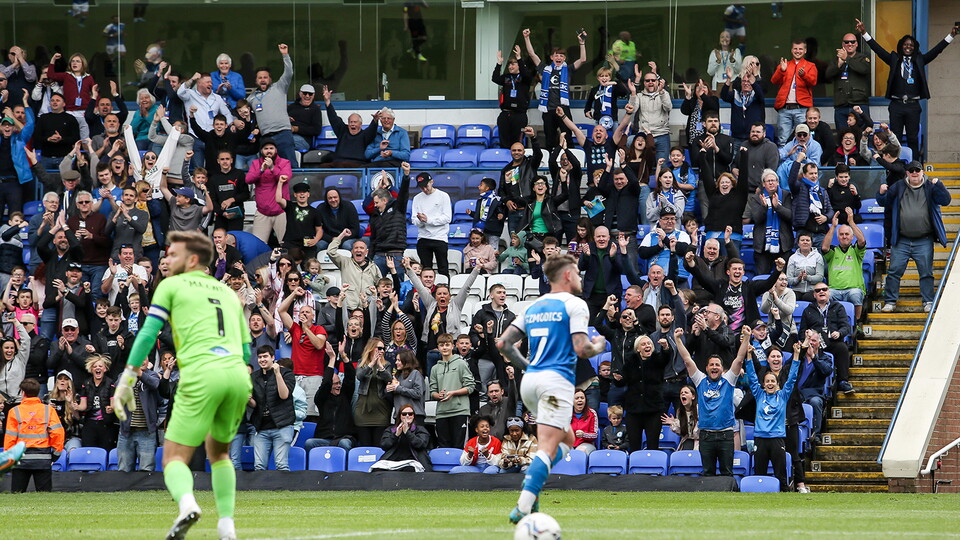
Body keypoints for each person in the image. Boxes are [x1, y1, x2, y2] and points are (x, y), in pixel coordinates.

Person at [111, 230, 252, 540]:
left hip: (202, 373)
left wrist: (127, 377)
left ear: (192, 259)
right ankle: (227, 526)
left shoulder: (172, 285)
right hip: (237, 376)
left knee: (173, 457)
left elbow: (148, 332)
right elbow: (245, 352)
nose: (166, 260)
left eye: (173, 254)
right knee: (220, 454)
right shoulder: (228, 293)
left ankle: (188, 505)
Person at [497, 253, 607, 523]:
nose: (580, 277)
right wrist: (599, 346)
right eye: (578, 273)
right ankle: (524, 504)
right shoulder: (575, 304)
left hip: (531, 381)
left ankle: (533, 489)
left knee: (568, 439)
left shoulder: (533, 306)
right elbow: (582, 348)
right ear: (567, 275)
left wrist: (527, 367)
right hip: (556, 381)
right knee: (547, 446)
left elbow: (503, 344)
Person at [856, 19, 958, 159]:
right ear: (901, 46)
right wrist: (864, 33)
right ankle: (895, 164)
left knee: (912, 138)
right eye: (905, 44)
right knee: (895, 137)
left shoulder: (919, 60)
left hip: (913, 105)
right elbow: (878, 50)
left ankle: (914, 166)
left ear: (915, 47)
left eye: (911, 45)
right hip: (896, 105)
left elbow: (936, 51)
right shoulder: (894, 59)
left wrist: (951, 35)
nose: (908, 47)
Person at [877, 163, 950, 313]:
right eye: (911, 171)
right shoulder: (898, 186)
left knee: (926, 273)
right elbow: (884, 202)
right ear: (907, 173)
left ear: (922, 172)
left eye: (917, 170)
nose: (914, 173)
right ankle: (890, 302)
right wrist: (881, 193)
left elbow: (946, 200)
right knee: (894, 272)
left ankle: (928, 301)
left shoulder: (930, 186)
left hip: (924, 239)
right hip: (901, 239)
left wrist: (940, 185)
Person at [679, 325, 748, 477]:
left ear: (722, 369)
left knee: (727, 474)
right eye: (711, 365)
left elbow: (739, 359)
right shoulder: (700, 380)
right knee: (708, 474)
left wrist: (747, 337)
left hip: (726, 436)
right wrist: (678, 339)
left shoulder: (729, 380)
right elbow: (687, 360)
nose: (714, 367)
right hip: (706, 436)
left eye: (717, 365)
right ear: (706, 368)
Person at [745, 340, 801, 492]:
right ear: (763, 384)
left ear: (777, 384)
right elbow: (752, 377)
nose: (770, 383)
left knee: (781, 476)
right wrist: (749, 356)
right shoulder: (759, 394)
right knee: (760, 474)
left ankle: (783, 499)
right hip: (760, 438)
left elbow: (792, 377)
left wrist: (796, 355)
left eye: (773, 381)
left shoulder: (783, 395)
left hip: (777, 438)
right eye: (767, 381)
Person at [523, 28, 587, 149]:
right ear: (552, 57)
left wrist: (582, 43)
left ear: (564, 58)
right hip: (548, 110)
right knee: (549, 140)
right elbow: (532, 54)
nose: (559, 57)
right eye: (556, 55)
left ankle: (569, 159)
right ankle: (551, 160)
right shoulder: (545, 69)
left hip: (563, 109)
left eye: (561, 56)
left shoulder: (568, 69)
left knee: (568, 138)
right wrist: (527, 38)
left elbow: (583, 59)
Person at [4, 379, 63, 492]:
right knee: (44, 496)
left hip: (20, 459)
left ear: (23, 393)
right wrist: (55, 455)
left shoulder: (15, 411)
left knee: (17, 495)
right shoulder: (48, 410)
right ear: (38, 392)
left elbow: (10, 438)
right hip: (43, 459)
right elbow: (58, 433)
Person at [616, 335, 671, 451]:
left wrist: (665, 347)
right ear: (638, 349)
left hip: (654, 409)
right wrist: (618, 379)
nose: (647, 346)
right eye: (643, 344)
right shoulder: (631, 361)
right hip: (634, 409)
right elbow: (622, 382)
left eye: (649, 343)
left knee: (653, 445)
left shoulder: (657, 359)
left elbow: (665, 358)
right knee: (634, 446)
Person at [799, 282, 855, 395]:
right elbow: (801, 331)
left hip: (832, 342)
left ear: (829, 292)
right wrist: (807, 336)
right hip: (814, 345)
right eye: (818, 290)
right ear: (814, 295)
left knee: (842, 348)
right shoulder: (808, 310)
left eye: (824, 289)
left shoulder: (838, 307)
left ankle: (842, 381)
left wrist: (839, 333)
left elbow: (846, 327)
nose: (821, 292)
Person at [429, 333, 475, 448]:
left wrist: (453, 393)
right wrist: (438, 395)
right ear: (438, 347)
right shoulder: (435, 368)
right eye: (441, 345)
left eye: (447, 345)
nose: (444, 348)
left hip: (460, 411)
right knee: (443, 447)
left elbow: (470, 386)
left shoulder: (461, 363)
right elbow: (432, 391)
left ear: (452, 346)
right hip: (441, 413)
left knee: (458, 446)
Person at [821, 208, 867, 321]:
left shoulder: (856, 251)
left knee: (855, 294)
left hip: (853, 289)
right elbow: (824, 247)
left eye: (847, 234)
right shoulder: (833, 252)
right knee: (826, 295)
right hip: (834, 290)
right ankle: (829, 323)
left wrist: (851, 222)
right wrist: (833, 227)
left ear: (852, 237)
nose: (844, 236)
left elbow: (862, 241)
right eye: (841, 234)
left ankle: (856, 322)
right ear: (838, 237)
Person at [245, 138, 293, 245]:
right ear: (261, 151)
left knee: (285, 244)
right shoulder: (256, 163)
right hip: (262, 212)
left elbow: (285, 178)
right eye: (266, 148)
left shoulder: (285, 162)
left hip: (281, 211)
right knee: (258, 245)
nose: (269, 151)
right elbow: (248, 180)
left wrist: (272, 167)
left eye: (271, 148)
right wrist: (261, 170)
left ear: (276, 150)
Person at [116, 359, 160, 472]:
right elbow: (118, 386)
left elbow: (155, 384)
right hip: (126, 432)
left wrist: (140, 374)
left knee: (146, 471)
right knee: (123, 470)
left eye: (145, 358)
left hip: (147, 432)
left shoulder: (153, 375)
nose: (142, 361)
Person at [770, 39, 818, 146]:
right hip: (785, 108)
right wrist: (782, 70)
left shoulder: (810, 66)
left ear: (805, 51)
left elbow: (813, 82)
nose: (798, 51)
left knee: (803, 138)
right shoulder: (785, 64)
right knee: (783, 139)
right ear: (791, 50)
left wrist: (804, 75)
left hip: (802, 109)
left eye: (800, 49)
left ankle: (802, 157)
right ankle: (784, 157)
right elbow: (774, 81)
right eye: (795, 49)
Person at [746, 168, 794, 274]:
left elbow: (790, 216)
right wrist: (764, 207)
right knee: (762, 277)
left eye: (773, 180)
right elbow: (757, 219)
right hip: (763, 246)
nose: (771, 183)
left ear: (778, 182)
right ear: (763, 184)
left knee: (782, 277)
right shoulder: (757, 198)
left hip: (783, 244)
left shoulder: (786, 195)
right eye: (768, 181)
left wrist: (777, 207)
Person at [320, 85, 379, 167]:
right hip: (339, 163)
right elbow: (333, 118)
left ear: (360, 124)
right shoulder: (342, 131)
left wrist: (375, 120)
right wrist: (327, 101)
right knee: (323, 167)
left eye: (355, 122)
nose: (352, 124)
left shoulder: (365, 135)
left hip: (357, 165)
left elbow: (372, 130)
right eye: (351, 122)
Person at [498, 126, 541, 234]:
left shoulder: (530, 164)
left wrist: (533, 138)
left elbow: (538, 154)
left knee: (531, 239)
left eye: (519, 150)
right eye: (514, 150)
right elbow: (501, 190)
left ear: (524, 151)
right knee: (514, 240)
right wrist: (507, 201)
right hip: (513, 212)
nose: (516, 152)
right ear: (510, 152)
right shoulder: (506, 169)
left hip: (530, 210)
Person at [825, 33, 871, 131]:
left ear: (857, 44)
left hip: (859, 104)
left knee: (862, 135)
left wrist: (847, 59)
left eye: (852, 42)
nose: (850, 44)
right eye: (847, 42)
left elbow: (864, 69)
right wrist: (838, 65)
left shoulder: (863, 58)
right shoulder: (836, 59)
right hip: (841, 105)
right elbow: (828, 75)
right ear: (843, 44)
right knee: (842, 135)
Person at [412, 172, 452, 276]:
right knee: (425, 269)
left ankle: (445, 285)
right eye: (422, 187)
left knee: (443, 268)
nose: (425, 189)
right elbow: (414, 220)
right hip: (423, 237)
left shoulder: (443, 196)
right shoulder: (417, 198)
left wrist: (428, 220)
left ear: (432, 182)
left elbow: (447, 218)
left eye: (426, 186)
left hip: (440, 237)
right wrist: (421, 220)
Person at [492, 46, 532, 149]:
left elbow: (525, 74)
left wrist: (519, 58)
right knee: (504, 142)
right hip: (505, 114)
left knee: (517, 142)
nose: (510, 66)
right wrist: (499, 63)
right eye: (509, 64)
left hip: (519, 115)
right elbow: (495, 78)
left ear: (519, 65)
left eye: (513, 64)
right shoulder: (506, 77)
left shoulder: (525, 78)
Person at [372, 403, 432, 472]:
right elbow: (384, 445)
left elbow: (421, 444)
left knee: (409, 470)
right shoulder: (391, 430)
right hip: (393, 460)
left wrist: (407, 432)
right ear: (400, 416)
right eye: (404, 414)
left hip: (413, 461)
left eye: (410, 414)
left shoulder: (420, 429)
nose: (407, 416)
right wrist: (396, 435)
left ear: (413, 416)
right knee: (376, 470)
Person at [635, 63, 672, 161]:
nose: (650, 82)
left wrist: (662, 93)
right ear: (644, 83)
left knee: (663, 165)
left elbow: (668, 108)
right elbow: (633, 109)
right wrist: (635, 84)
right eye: (647, 81)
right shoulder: (639, 96)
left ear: (657, 82)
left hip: (662, 134)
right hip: (644, 135)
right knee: (644, 165)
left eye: (653, 80)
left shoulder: (664, 93)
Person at [662, 384, 699, 450]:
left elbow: (696, 434)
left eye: (686, 392)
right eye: (681, 393)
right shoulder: (680, 411)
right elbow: (683, 433)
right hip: (686, 442)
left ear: (693, 396)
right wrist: (674, 423)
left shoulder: (699, 409)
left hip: (700, 443)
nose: (683, 394)